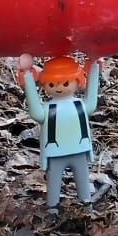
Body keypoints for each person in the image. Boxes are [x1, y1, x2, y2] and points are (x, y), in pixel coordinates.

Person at [17, 53, 103, 208]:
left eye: (65, 83)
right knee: (54, 182)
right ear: (44, 84)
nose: (58, 88)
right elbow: (35, 112)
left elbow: (91, 101)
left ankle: (86, 204)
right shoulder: (49, 108)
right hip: (55, 152)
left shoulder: (79, 105)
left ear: (78, 81)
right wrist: (28, 76)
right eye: (51, 84)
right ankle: (53, 207)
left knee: (83, 180)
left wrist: (94, 66)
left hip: (79, 149)